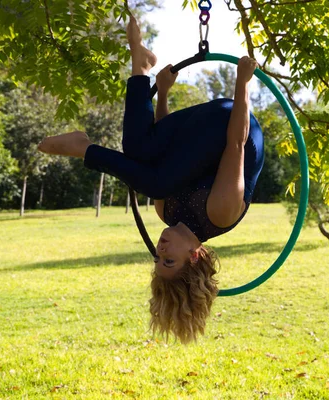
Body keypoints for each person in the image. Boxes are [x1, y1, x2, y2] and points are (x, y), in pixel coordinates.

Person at [38, 17, 264, 343]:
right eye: (169, 259)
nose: (160, 249)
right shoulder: (221, 212)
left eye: (158, 259)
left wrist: (163, 95)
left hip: (199, 133)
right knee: (153, 179)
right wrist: (242, 83)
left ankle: (140, 64)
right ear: (195, 255)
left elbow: (161, 153)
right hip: (232, 123)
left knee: (140, 151)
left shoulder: (165, 213)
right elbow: (237, 143)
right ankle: (84, 150)